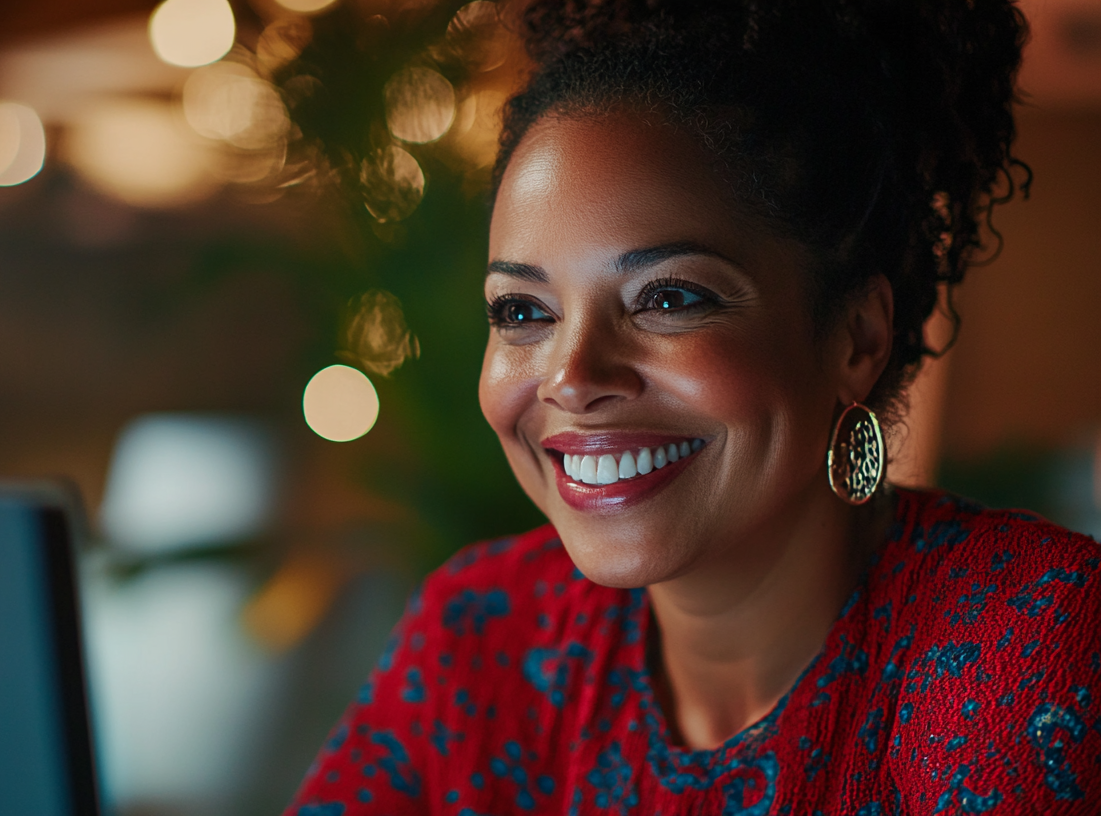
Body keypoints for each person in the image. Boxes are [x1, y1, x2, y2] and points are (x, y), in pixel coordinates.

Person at [286, 0, 1101, 813]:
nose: (571, 377)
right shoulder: (481, 635)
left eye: (667, 297)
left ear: (856, 337)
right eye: (523, 311)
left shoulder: (1030, 646)